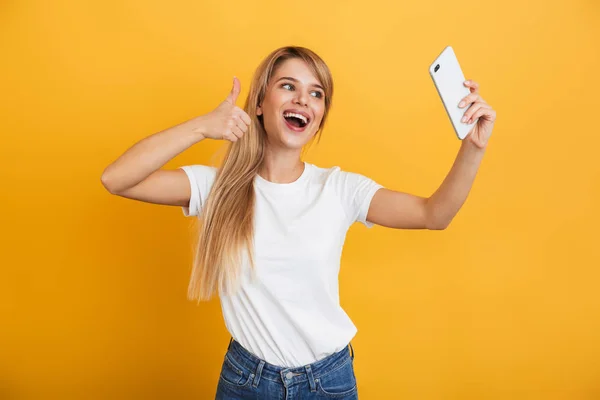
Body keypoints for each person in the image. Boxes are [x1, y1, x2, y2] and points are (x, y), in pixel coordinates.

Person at [101, 46, 496, 399]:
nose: (303, 100)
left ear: (320, 116)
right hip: (245, 382)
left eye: (316, 93)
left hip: (328, 382)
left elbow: (434, 214)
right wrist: (202, 127)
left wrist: (473, 147)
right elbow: (116, 179)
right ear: (259, 103)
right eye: (288, 86)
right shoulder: (217, 187)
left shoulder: (340, 188)